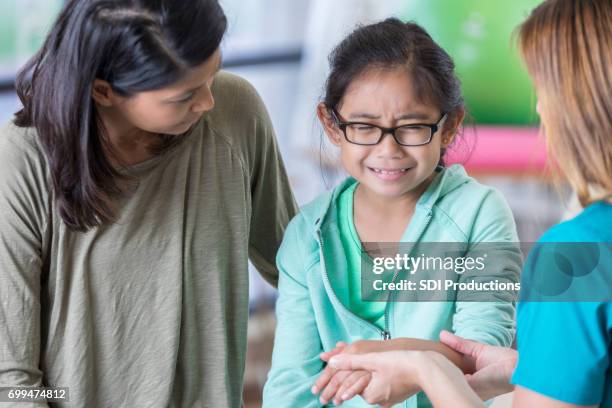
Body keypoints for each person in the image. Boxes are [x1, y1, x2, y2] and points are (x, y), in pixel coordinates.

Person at [0, 0, 297, 407]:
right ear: (103, 90)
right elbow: (11, 382)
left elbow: (302, 268)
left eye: (213, 73)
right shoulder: (22, 162)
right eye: (185, 95)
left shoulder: (235, 113)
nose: (208, 101)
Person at [325, 0, 612, 407]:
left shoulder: (576, 256)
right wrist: (524, 367)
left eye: (544, 91)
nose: (538, 108)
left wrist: (425, 367)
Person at [262, 18, 521, 408]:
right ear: (332, 126)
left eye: (413, 127)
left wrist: (389, 355)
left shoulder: (480, 213)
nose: (388, 150)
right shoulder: (306, 236)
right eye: (365, 127)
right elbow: (290, 388)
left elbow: (482, 360)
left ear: (449, 127)